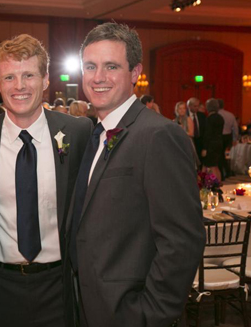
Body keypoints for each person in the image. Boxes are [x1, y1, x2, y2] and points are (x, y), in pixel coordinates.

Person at [65, 22, 205, 327]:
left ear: (135, 73)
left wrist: (149, 315)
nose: (98, 77)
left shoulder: (158, 135)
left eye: (111, 66)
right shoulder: (95, 135)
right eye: (90, 66)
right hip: (86, 306)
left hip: (129, 313)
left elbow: (182, 241)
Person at [0, 34, 92, 327]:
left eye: (28, 75)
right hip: (0, 286)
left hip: (61, 285)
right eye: (9, 76)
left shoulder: (79, 133)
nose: (19, 86)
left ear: (46, 79)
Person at [202, 98, 224, 182]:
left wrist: (205, 148)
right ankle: (219, 183)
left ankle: (216, 184)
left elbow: (208, 134)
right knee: (215, 165)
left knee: (211, 165)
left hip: (210, 145)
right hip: (219, 143)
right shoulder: (220, 118)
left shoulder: (209, 118)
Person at [217, 99, 239, 180]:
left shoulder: (217, 115)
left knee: (220, 155)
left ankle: (224, 172)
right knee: (224, 155)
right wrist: (234, 138)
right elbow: (235, 128)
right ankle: (227, 171)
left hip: (219, 136)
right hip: (228, 137)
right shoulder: (230, 115)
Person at [188, 97, 206, 162]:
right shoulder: (185, 116)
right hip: (188, 143)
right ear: (189, 106)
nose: (197, 108)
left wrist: (204, 147)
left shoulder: (202, 116)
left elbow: (205, 132)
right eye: (195, 106)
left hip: (199, 144)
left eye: (198, 106)